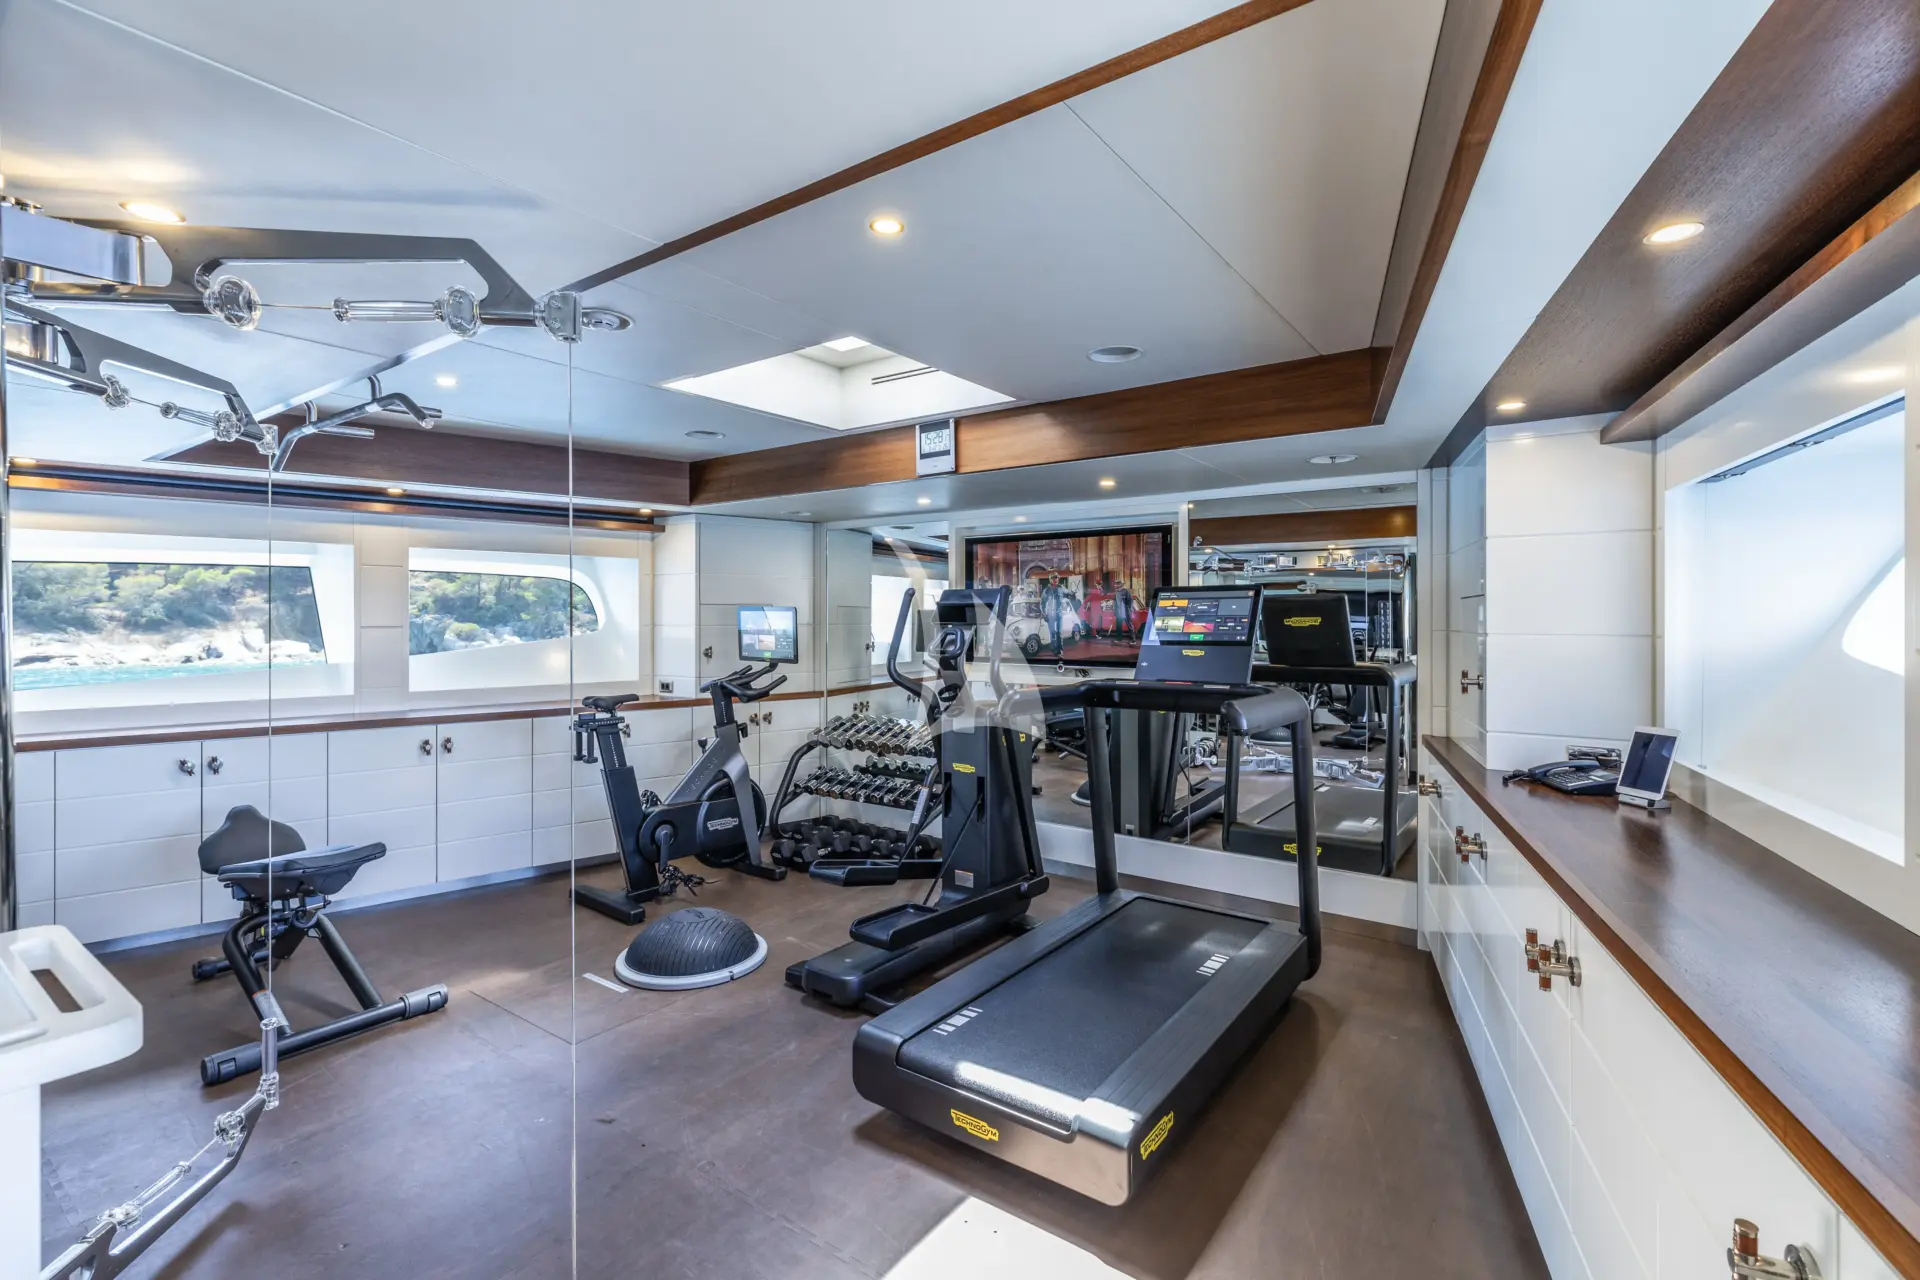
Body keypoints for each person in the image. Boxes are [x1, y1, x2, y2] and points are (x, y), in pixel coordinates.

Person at [1041, 573, 1065, 658]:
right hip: (1050, 614)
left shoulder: (1061, 588)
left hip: (1059, 614)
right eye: (1054, 578)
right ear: (1050, 579)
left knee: (1059, 632)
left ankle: (1059, 651)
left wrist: (1072, 594)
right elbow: (1042, 603)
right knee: (1052, 633)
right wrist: (1044, 613)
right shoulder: (1047, 590)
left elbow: (1068, 593)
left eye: (1057, 578)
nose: (1056, 579)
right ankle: (1054, 649)